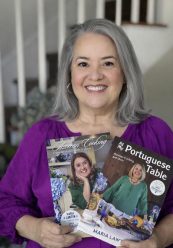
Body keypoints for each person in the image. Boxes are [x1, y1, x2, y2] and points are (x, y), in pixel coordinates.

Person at [0, 18, 173, 248]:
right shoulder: (41, 135)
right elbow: (6, 201)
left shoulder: (156, 133)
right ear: (69, 75)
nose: (95, 75)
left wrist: (159, 239)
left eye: (108, 63)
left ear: (125, 73)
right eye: (83, 64)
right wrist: (35, 229)